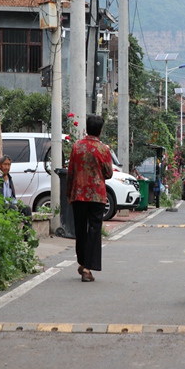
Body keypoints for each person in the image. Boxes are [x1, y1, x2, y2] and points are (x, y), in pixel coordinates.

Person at [66, 115, 113, 282]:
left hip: (78, 194)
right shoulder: (103, 149)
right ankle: (87, 268)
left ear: (86, 128)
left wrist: (68, 194)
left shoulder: (76, 147)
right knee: (94, 231)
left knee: (80, 230)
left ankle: (82, 261)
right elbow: (108, 173)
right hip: (97, 196)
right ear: (100, 130)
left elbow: (70, 172)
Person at [0, 155, 33, 239]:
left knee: (27, 209)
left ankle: (27, 235)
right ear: (0, 165)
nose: (7, 167)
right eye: (5, 164)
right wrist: (11, 204)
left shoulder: (9, 178)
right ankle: (12, 235)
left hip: (10, 203)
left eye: (9, 165)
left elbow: (11, 196)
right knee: (13, 209)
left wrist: (15, 203)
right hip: (0, 204)